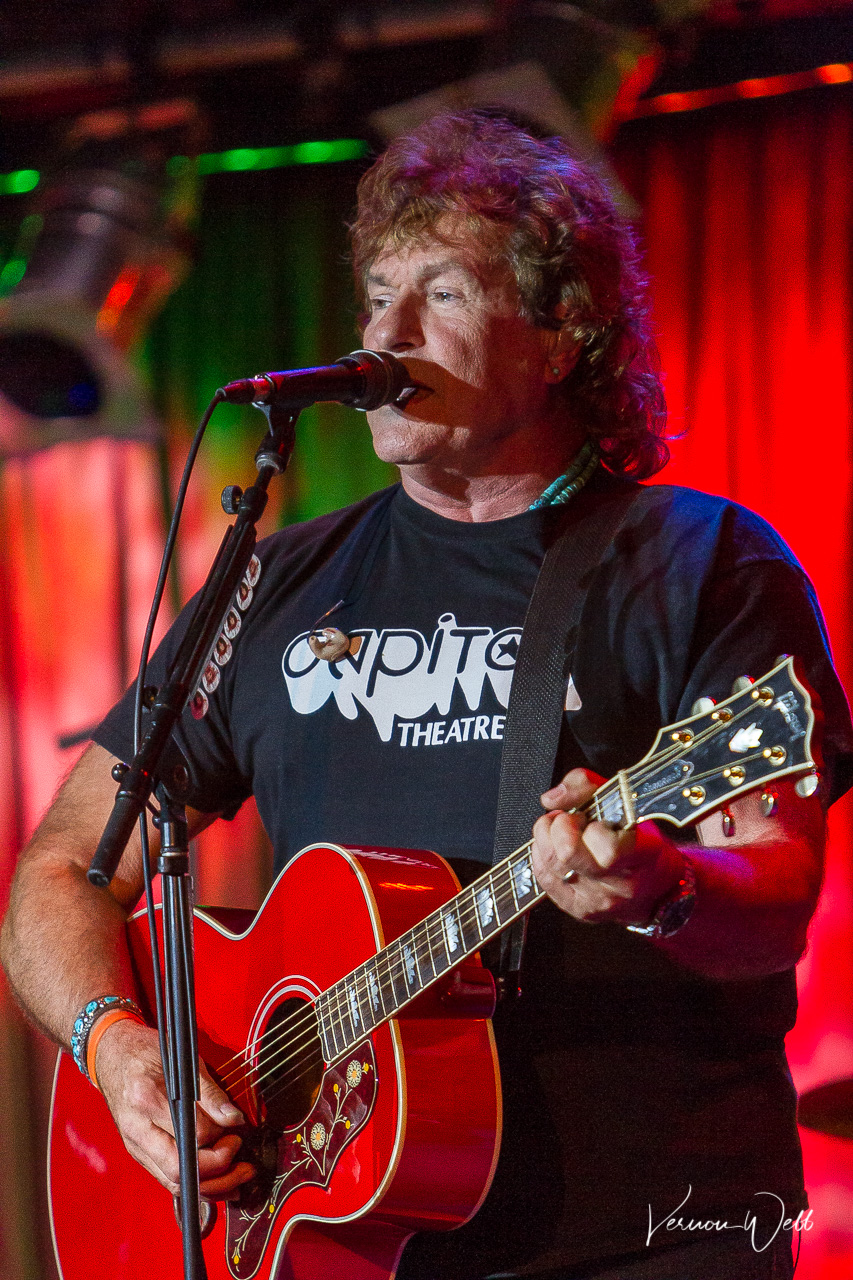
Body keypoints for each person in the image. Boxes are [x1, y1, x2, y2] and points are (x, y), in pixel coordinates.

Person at [2, 111, 852, 1280]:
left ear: (562, 332)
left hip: (644, 1231)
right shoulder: (275, 579)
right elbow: (59, 869)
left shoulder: (698, 561)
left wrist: (659, 885)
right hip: (344, 1236)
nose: (385, 336)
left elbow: (776, 891)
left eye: (441, 294)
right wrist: (116, 1049)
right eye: (375, 297)